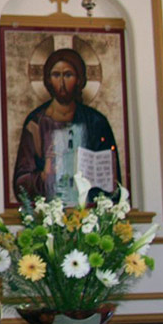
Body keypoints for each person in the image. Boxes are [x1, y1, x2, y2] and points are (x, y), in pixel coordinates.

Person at [13, 47, 119, 206]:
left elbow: (112, 181)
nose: (61, 83)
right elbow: (21, 182)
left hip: (89, 215)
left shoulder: (96, 122)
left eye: (68, 75)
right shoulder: (36, 123)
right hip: (48, 214)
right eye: (56, 75)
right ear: (48, 80)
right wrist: (43, 176)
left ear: (79, 79)